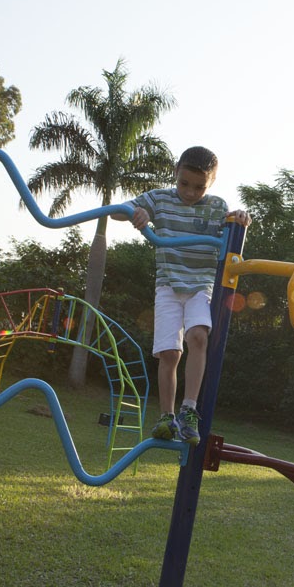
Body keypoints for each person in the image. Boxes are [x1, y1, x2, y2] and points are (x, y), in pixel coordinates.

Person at [112, 146, 251, 445]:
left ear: (211, 182)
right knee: (169, 353)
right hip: (168, 286)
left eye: (199, 186)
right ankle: (166, 416)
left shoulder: (216, 206)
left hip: (200, 285)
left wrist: (239, 220)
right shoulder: (160, 198)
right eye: (184, 184)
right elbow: (118, 213)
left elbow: (232, 243)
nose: (190, 192)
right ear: (175, 174)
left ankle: (189, 410)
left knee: (199, 337)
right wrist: (137, 213)